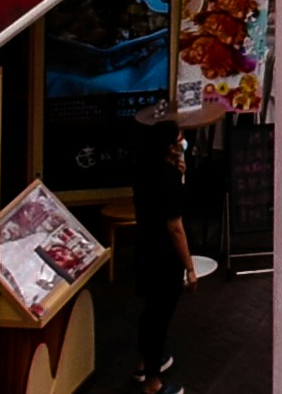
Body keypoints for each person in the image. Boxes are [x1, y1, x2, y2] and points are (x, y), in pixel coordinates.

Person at [120, 111, 194, 390]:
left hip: (145, 250)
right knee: (159, 319)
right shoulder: (168, 181)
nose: (183, 142)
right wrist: (189, 267)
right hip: (165, 259)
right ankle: (153, 383)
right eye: (179, 139)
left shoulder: (144, 171)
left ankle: (144, 364)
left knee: (150, 313)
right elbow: (175, 228)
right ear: (170, 147)